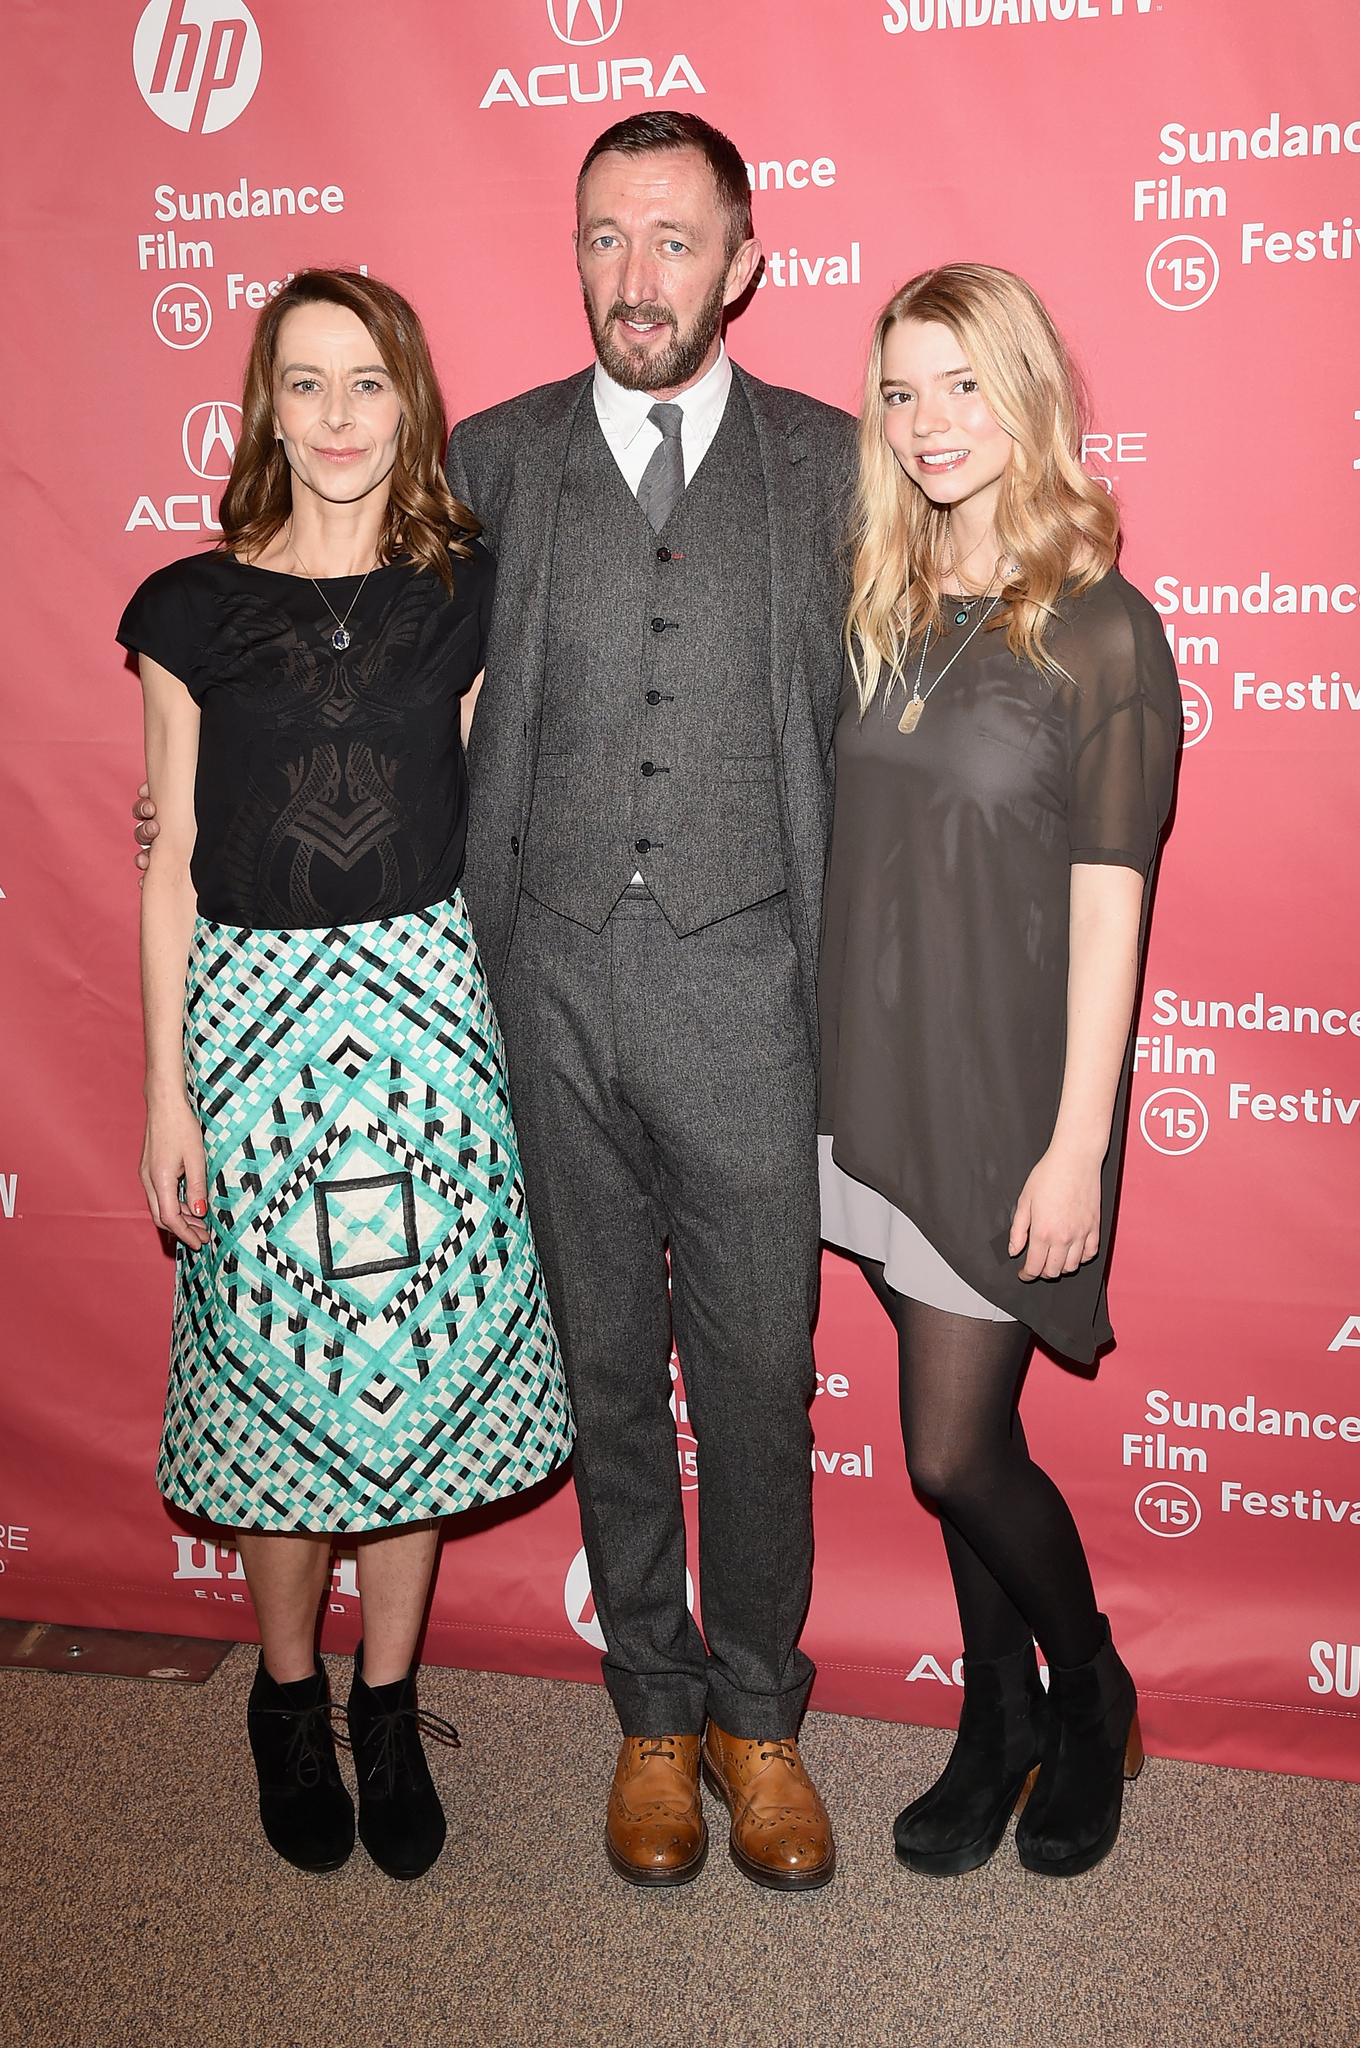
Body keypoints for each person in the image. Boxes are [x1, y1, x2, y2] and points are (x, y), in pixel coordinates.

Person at [119, 269, 572, 1882]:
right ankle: (287, 1696)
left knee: (412, 1360)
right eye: (302, 383)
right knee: (277, 1373)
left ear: (411, 403)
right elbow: (166, 862)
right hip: (248, 1024)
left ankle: (388, 1707)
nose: (333, 417)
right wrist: (167, 1091)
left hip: (427, 1016)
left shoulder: (466, 591)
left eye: (365, 383)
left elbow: (506, 796)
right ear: (264, 405)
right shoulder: (184, 608)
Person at [446, 111, 854, 1892]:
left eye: (674, 240)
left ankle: (762, 1723)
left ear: (744, 262)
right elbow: (370, 686)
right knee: (611, 1371)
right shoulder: (492, 458)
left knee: (757, 1375)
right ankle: (655, 1722)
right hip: (547, 983)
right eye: (606, 236)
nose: (636, 276)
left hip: (753, 986)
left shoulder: (838, 467)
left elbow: (924, 728)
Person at [818, 264, 1180, 1879]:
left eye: (961, 383)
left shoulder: (1103, 628)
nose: (929, 423)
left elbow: (1116, 905)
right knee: (952, 1444)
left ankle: (1088, 1688)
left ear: (1026, 391)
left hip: (1008, 1098)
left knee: (955, 1449)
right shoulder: (877, 602)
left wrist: (1075, 1148)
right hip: (876, 1078)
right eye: (901, 391)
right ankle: (997, 1716)